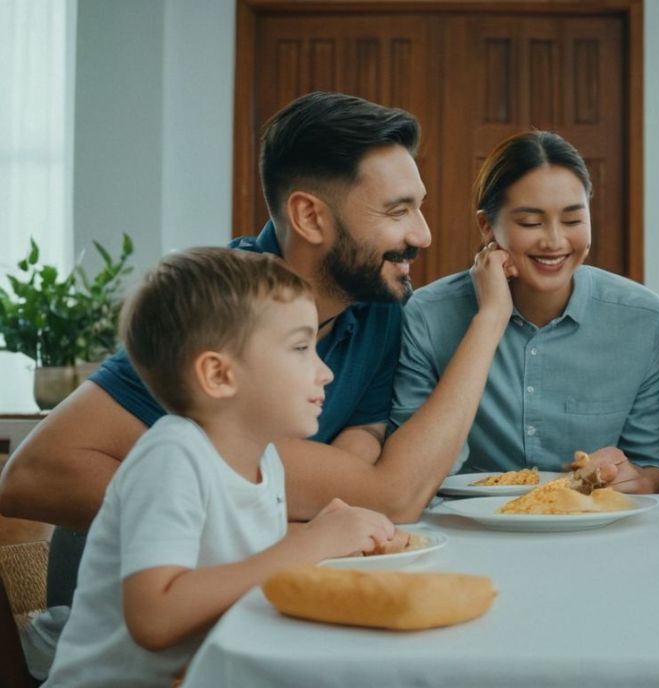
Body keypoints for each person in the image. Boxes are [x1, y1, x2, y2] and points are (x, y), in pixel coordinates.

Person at [0, 92, 512, 610]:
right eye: (397, 210)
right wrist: (263, 526)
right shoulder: (214, 309)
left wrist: (311, 505)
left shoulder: (378, 305)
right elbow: (30, 477)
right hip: (135, 615)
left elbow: (363, 473)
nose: (422, 234)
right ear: (310, 217)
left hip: (268, 593)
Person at [43, 248, 397, 687]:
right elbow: (154, 617)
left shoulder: (264, 457)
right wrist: (307, 545)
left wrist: (326, 538)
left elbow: (240, 567)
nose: (324, 372)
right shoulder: (172, 456)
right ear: (219, 375)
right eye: (301, 347)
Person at [391, 131, 659, 492]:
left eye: (572, 221)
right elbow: (417, 473)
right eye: (530, 223)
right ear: (486, 226)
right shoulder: (427, 316)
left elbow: (655, 464)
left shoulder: (644, 320)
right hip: (467, 527)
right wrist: (490, 318)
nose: (554, 241)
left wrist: (640, 479)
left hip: (589, 527)